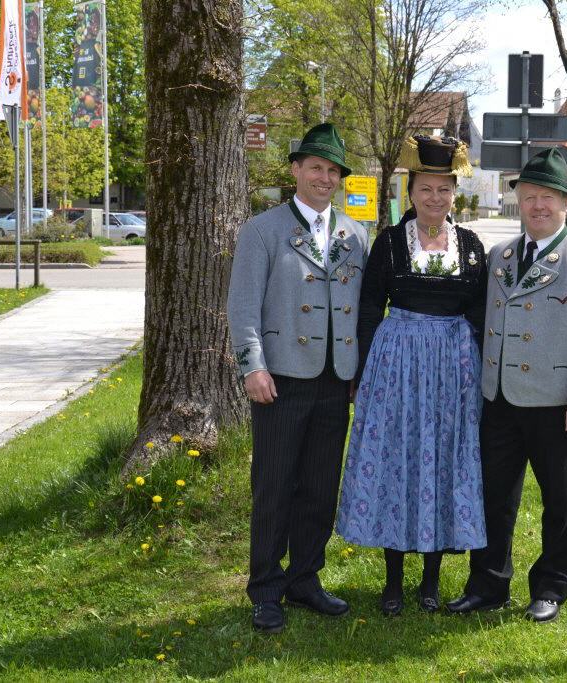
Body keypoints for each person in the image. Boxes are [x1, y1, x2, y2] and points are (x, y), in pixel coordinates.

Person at [447, 148, 567, 623]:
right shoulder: (500, 255)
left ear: (565, 202)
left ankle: (551, 587)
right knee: (493, 497)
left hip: (555, 403)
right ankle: (488, 584)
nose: (538, 206)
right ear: (517, 202)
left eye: (548, 197)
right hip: (499, 399)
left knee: (559, 502)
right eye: (529, 197)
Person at [336, 135, 487, 616]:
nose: (435, 198)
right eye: (426, 189)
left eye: (444, 189)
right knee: (398, 463)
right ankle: (394, 581)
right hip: (397, 366)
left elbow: (482, 315)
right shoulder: (389, 244)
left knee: (443, 464)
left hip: (452, 371)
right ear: (411, 191)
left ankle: (432, 580)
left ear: (453, 194)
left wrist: (482, 377)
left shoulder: (471, 246)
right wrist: (360, 372)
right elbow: (367, 308)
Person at [227, 123, 370, 633]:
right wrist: (253, 365)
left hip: (337, 379)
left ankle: (306, 578)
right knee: (274, 485)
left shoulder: (356, 234)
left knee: (318, 486)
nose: (324, 178)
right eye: (315, 168)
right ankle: (265, 588)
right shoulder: (262, 230)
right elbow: (242, 305)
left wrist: (362, 370)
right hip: (281, 378)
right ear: (295, 171)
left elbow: (363, 309)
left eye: (333, 171)